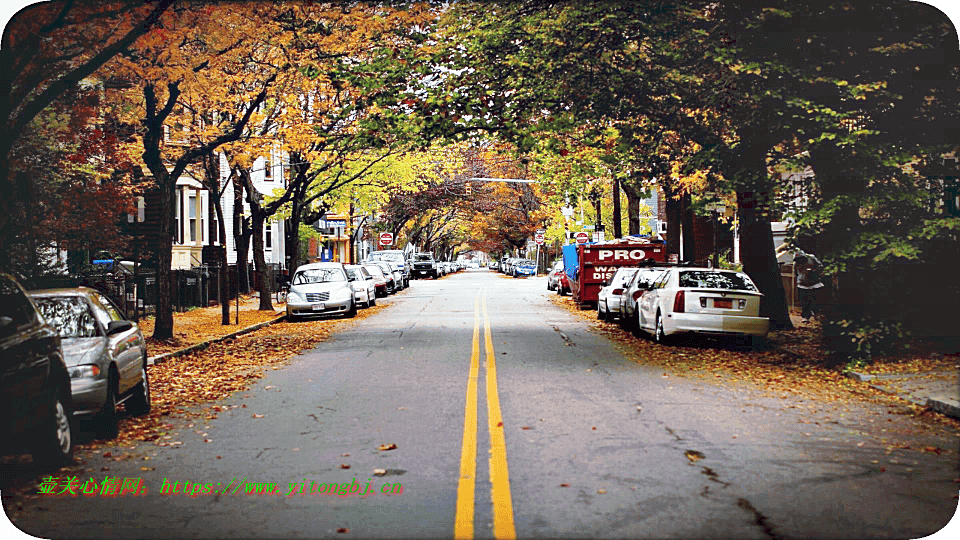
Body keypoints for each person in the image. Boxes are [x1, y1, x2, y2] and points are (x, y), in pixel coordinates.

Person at [794, 254, 824, 323]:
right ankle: (805, 316)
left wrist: (814, 271)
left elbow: (820, 267)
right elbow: (795, 272)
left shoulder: (812, 258)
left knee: (815, 300)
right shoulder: (796, 263)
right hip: (802, 284)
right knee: (804, 301)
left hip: (814, 283)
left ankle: (817, 314)